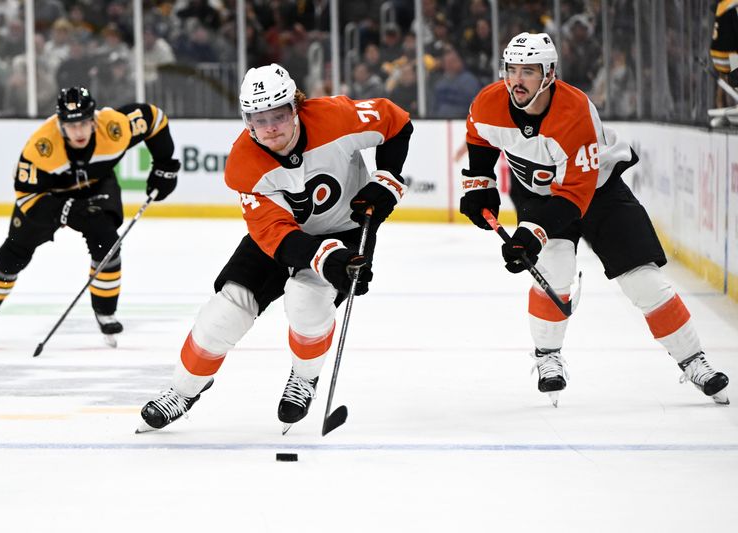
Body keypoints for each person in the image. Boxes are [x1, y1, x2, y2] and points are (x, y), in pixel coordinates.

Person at [137, 63, 412, 433]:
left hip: (346, 230)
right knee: (224, 312)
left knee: (306, 302)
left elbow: (396, 122)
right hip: (280, 237)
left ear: (295, 106)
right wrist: (325, 259)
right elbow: (276, 234)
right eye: (258, 118)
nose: (270, 128)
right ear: (246, 119)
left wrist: (387, 177)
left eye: (279, 115)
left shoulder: (335, 117)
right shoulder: (243, 164)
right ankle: (184, 389)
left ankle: (304, 377)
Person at [459, 32, 729, 406]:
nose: (516, 80)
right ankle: (547, 357)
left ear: (549, 74)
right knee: (553, 273)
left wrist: (531, 234)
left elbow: (575, 196)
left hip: (598, 192)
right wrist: (480, 185)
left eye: (528, 71)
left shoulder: (574, 112)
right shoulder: (489, 102)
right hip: (539, 194)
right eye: (511, 70)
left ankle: (694, 359)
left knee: (643, 281)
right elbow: (479, 136)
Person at [0, 86, 180, 343]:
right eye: (71, 125)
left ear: (94, 119)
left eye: (84, 122)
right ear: (60, 123)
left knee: (107, 243)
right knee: (14, 252)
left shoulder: (114, 127)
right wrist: (66, 211)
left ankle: (105, 313)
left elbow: (154, 118)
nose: (79, 131)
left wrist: (165, 166)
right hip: (47, 197)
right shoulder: (41, 147)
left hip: (97, 185)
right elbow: (27, 196)